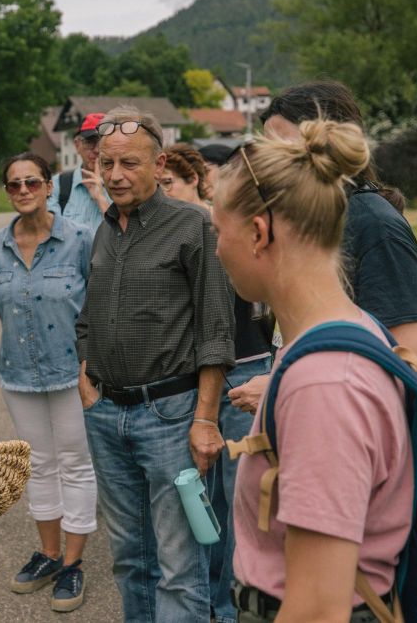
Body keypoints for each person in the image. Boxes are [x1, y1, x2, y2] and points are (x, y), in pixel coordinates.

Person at [212, 119, 412, 622]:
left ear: (259, 233)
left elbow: (320, 608)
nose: (216, 249)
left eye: (218, 230)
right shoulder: (353, 328)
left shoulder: (325, 383)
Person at [75, 106, 236, 622]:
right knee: (129, 559)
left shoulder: (194, 226)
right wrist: (86, 380)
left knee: (179, 564)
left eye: (129, 164)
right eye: (107, 163)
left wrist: (205, 418)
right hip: (107, 414)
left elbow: (216, 330)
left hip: (170, 415)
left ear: (159, 162)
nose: (115, 175)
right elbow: (89, 313)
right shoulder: (104, 229)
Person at [229, 79, 417, 414]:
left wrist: (278, 385)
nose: (270, 164)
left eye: (284, 149)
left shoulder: (377, 225)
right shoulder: (302, 219)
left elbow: (404, 360)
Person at [160, 142, 275, 623]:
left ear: (195, 182)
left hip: (243, 368)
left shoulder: (219, 229)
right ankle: (209, 597)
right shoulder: (171, 234)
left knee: (234, 500)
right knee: (200, 498)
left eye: (170, 184)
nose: (163, 194)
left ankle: (227, 607)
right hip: (195, 377)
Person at [0, 152, 98, 613]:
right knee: (38, 464)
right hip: (19, 373)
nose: (24, 190)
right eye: (15, 184)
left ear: (50, 186)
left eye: (33, 181)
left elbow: (96, 306)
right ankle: (48, 555)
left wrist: (92, 369)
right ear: (7, 192)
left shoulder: (81, 239)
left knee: (76, 463)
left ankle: (73, 563)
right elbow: (1, 305)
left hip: (74, 373)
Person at [48, 112, 111, 230]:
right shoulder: (58, 184)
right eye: (90, 142)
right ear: (77, 145)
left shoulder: (123, 185)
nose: (97, 150)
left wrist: (101, 200)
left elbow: (126, 236)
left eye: (104, 143)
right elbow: (48, 233)